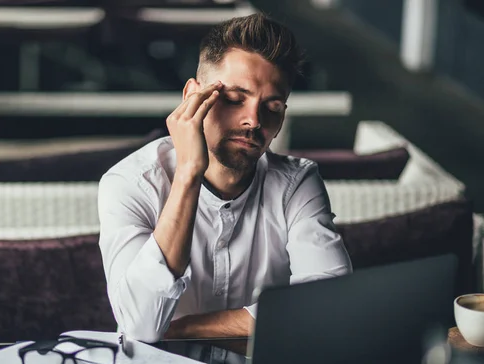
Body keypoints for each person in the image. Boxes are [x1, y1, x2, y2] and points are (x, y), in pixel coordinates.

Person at [98, 12, 352, 343]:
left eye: (272, 107)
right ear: (193, 97)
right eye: (234, 99)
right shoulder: (130, 183)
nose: (253, 120)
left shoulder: (297, 184)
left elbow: (328, 302)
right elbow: (142, 325)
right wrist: (189, 172)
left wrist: (183, 329)